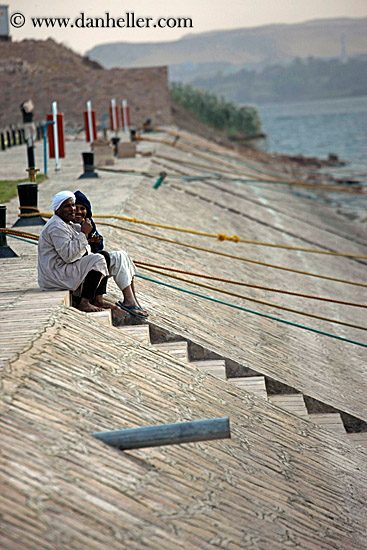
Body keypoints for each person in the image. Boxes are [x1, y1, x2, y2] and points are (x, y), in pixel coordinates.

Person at [74, 190, 148, 318]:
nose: (79, 212)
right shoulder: (70, 225)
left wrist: (93, 240)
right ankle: (127, 301)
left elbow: (97, 248)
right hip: (77, 276)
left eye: (83, 208)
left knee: (121, 256)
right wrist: (85, 237)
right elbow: (74, 253)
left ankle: (131, 300)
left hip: (89, 271)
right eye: (76, 208)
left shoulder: (88, 223)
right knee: (103, 257)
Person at [38, 190, 111, 313]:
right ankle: (84, 303)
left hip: (62, 269)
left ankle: (97, 299)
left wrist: (88, 240)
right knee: (98, 259)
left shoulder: (66, 224)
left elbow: (76, 251)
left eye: (73, 205)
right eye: (67, 206)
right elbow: (69, 256)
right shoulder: (56, 227)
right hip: (55, 275)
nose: (72, 209)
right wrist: (84, 234)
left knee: (103, 255)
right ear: (57, 209)